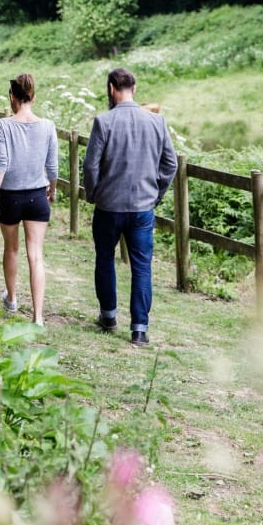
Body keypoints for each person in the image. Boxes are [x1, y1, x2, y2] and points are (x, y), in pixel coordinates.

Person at [82, 67, 178, 346]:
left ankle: (108, 316)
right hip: (142, 207)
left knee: (104, 258)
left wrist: (93, 193)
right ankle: (139, 329)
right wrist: (156, 193)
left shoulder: (103, 121)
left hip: (108, 206)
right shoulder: (156, 122)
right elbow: (170, 164)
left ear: (112, 89)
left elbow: (90, 166)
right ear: (134, 89)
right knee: (142, 267)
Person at [0, 73, 58, 326]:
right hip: (37, 197)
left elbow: (1, 163)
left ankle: (12, 299)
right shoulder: (48, 126)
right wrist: (52, 191)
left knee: (11, 249)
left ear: (12, 97)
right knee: (36, 256)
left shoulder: (3, 125)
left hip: (10, 197)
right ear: (33, 97)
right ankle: (38, 317)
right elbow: (52, 166)